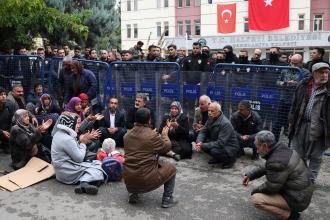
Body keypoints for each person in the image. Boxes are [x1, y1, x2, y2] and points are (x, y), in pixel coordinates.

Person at [243, 130, 313, 220]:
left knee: (256, 199)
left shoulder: (276, 161)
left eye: (257, 147)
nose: (256, 151)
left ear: (265, 146)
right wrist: (250, 175)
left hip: (297, 200)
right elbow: (267, 166)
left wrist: (255, 191)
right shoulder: (282, 148)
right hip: (302, 193)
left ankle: (290, 216)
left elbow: (271, 186)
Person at [123, 108, 177, 208]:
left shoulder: (127, 135)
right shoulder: (152, 135)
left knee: (136, 163)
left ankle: (133, 194)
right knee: (172, 169)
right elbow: (166, 147)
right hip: (145, 180)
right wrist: (165, 135)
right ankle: (167, 199)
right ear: (149, 120)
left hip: (128, 179)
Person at [288, 62, 330, 183]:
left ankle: (310, 181)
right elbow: (294, 104)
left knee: (316, 156)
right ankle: (299, 178)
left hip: (321, 128)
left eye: (326, 72)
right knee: (298, 154)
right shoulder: (303, 85)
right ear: (313, 73)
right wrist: (291, 120)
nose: (324, 75)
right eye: (321, 72)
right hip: (301, 124)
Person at [51, 113, 105, 195]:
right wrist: (83, 142)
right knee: (99, 168)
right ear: (71, 125)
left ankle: (84, 184)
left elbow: (72, 149)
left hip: (61, 172)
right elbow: (79, 158)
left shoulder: (59, 134)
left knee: (97, 163)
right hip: (67, 172)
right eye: (77, 123)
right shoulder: (67, 139)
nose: (79, 126)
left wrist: (81, 141)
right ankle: (84, 182)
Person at [195, 102, 239, 168]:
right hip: (217, 142)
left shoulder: (225, 123)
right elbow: (203, 132)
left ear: (218, 112)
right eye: (209, 110)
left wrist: (203, 145)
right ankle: (218, 158)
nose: (209, 113)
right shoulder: (210, 118)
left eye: (212, 111)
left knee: (213, 150)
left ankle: (231, 160)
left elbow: (221, 143)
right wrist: (199, 142)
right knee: (204, 144)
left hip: (230, 147)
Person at [0, 87, 15, 153]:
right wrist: (2, 132)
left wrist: (9, 131)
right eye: (1, 94)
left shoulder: (10, 104)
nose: (3, 96)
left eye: (4, 94)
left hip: (6, 130)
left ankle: (5, 143)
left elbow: (12, 120)